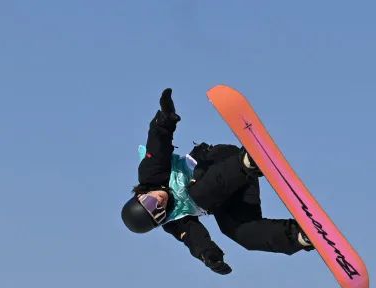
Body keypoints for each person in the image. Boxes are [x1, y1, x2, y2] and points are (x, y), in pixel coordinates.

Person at [120, 88, 314, 275]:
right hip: (233, 191)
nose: (160, 204)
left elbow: (158, 144)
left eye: (150, 202)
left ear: (141, 194)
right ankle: (299, 236)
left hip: (217, 162)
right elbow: (193, 238)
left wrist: (165, 118)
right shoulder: (175, 221)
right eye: (159, 214)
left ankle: (248, 162)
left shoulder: (150, 174)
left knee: (198, 196)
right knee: (238, 232)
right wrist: (208, 255)